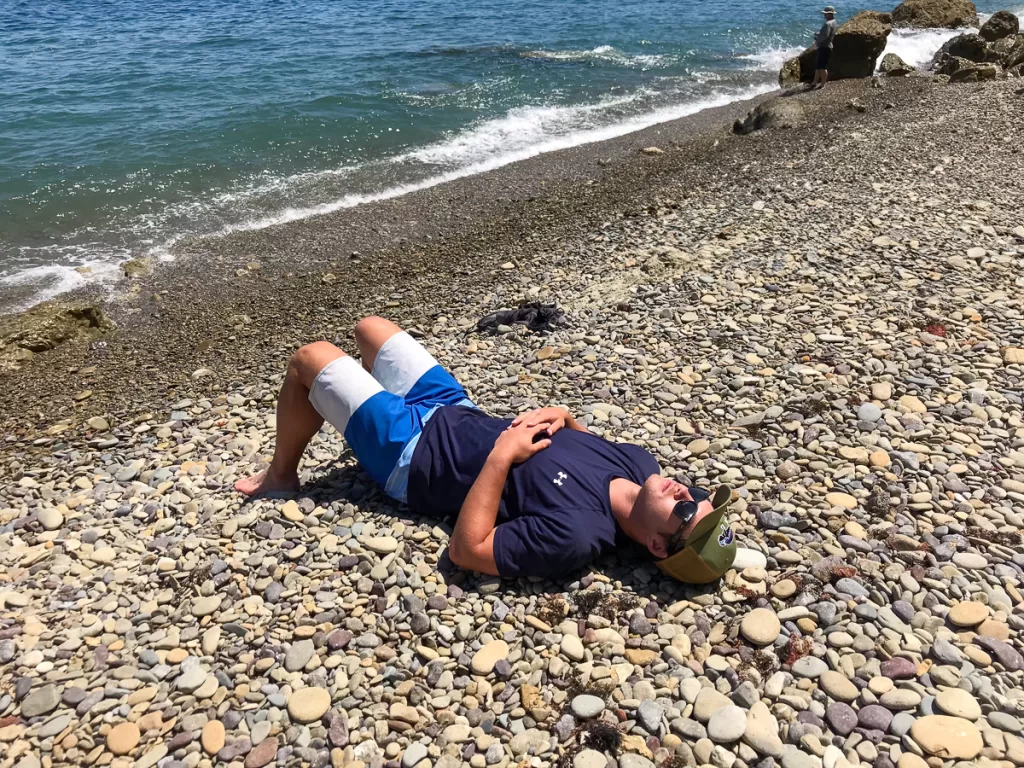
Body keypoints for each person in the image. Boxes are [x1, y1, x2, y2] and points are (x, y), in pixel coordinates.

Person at [236, 316, 737, 582]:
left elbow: (467, 550)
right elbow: (579, 444)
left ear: (655, 545)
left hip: (414, 456)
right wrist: (563, 417)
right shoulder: (641, 466)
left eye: (686, 509)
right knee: (370, 328)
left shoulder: (578, 535)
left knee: (309, 359)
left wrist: (503, 455)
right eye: (697, 493)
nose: (682, 490)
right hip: (456, 409)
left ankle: (282, 474)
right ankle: (354, 408)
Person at [811, 6, 839, 89]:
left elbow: (825, 36)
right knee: (819, 66)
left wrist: (817, 39)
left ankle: (822, 84)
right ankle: (814, 82)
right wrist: (820, 33)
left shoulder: (827, 24)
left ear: (830, 14)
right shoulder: (834, 22)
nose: (824, 15)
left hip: (824, 47)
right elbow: (828, 34)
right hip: (828, 46)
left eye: (825, 14)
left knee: (822, 67)